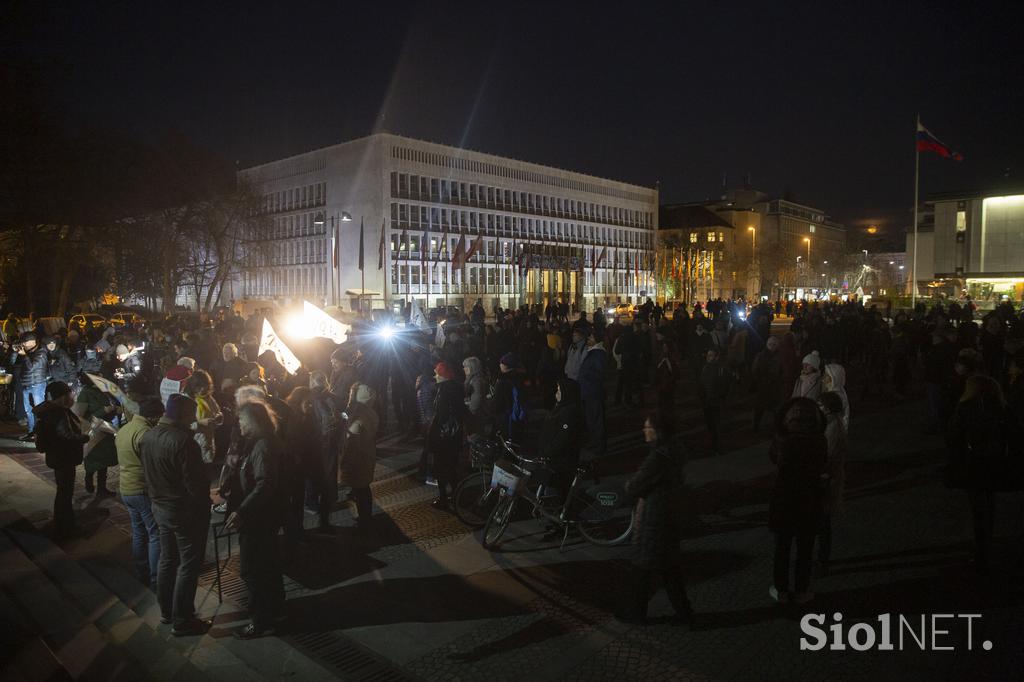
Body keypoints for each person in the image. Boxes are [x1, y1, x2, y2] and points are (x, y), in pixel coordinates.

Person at [139, 394, 211, 637]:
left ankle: (167, 611)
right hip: (182, 510)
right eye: (191, 414)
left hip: (159, 506)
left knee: (167, 560)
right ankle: (183, 619)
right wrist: (204, 506)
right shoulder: (183, 441)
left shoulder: (148, 436)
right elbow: (196, 485)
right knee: (189, 564)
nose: (193, 419)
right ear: (181, 415)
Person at [616, 413, 692, 624]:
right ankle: (686, 614)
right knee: (670, 569)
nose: (644, 430)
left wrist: (627, 486)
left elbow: (634, 486)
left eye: (647, 427)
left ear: (658, 431)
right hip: (668, 515)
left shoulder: (657, 458)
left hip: (653, 519)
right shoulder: (675, 452)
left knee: (641, 569)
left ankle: (636, 614)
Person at [225, 401, 285, 639]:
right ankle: (277, 610)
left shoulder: (263, 446)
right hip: (263, 515)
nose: (238, 423)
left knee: (253, 570)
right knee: (269, 565)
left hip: (259, 517)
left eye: (241, 419)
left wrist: (242, 510)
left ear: (252, 421)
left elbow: (265, 483)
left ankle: (260, 620)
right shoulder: (260, 442)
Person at [945, 375, 1009, 572]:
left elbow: (954, 437)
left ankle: (982, 553)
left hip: (974, 464)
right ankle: (987, 546)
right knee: (989, 505)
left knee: (978, 509)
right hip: (994, 463)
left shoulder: (966, 408)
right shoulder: (1001, 407)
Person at [768, 397, 828, 604]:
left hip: (784, 497)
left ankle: (781, 589)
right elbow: (822, 462)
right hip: (809, 497)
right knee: (805, 548)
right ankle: (802, 590)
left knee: (782, 548)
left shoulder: (783, 440)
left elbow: (773, 457)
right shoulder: (819, 439)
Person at [115, 397, 165, 587]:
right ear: (153, 416)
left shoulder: (125, 429)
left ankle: (140, 571)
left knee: (138, 532)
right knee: (154, 534)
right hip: (141, 489)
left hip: (126, 487)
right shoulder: (145, 433)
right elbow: (152, 464)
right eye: (159, 416)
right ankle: (154, 578)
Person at [33, 381, 89, 538]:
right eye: (70, 394)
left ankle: (62, 522)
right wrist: (85, 437)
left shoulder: (49, 410)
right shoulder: (58, 413)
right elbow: (67, 436)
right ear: (63, 396)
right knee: (65, 493)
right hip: (64, 457)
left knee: (63, 491)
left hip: (57, 456)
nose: (72, 397)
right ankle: (66, 527)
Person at [340, 383, 380, 533]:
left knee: (360, 489)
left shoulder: (359, 418)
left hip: (357, 458)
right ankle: (366, 517)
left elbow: (350, 441)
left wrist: (344, 461)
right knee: (363, 487)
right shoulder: (372, 412)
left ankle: (364, 520)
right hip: (367, 454)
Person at [427, 363, 465, 511]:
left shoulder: (443, 390)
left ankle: (444, 499)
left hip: (443, 437)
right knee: (451, 467)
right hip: (454, 435)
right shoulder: (457, 388)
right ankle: (457, 495)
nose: (435, 376)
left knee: (440, 468)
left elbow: (442, 415)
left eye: (437, 373)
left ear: (443, 376)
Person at [538, 378, 584, 497]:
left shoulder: (570, 412)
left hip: (560, 463)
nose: (556, 393)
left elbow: (562, 439)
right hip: (553, 460)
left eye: (559, 390)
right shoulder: (562, 407)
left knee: (554, 493)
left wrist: (548, 451)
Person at [817, 391, 847, 575]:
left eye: (820, 405)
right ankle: (822, 558)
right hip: (828, 477)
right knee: (822, 521)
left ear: (827, 408)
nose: (818, 408)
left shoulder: (834, 427)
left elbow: (829, 455)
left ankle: (823, 560)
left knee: (823, 521)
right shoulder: (832, 423)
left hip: (827, 479)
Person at [74, 374, 120, 496]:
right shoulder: (85, 393)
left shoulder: (104, 391)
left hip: (106, 431)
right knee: (93, 460)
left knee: (104, 462)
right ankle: (89, 479)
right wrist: (103, 411)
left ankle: (102, 489)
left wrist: (114, 410)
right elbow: (80, 416)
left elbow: (111, 406)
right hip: (93, 432)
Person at [11, 332, 48, 439]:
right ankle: (31, 432)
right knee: (28, 410)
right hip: (26, 384)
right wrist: (15, 352)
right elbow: (12, 363)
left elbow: (31, 367)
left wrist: (24, 355)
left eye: (24, 342)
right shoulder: (26, 352)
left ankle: (41, 433)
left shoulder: (41, 352)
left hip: (37, 385)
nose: (23, 344)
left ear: (32, 342)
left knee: (39, 410)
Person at [578, 330, 608, 456]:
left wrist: (585, 376)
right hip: (588, 390)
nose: (588, 339)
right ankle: (594, 442)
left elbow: (599, 374)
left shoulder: (598, 354)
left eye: (590, 337)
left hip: (593, 391)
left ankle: (599, 445)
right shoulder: (593, 352)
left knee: (596, 419)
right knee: (591, 418)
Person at [185, 370, 222, 464]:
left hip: (208, 444)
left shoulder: (209, 398)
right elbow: (183, 425)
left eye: (204, 386)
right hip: (192, 444)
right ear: (192, 386)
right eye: (198, 387)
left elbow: (217, 412)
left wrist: (219, 417)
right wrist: (200, 423)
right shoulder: (186, 400)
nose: (202, 389)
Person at [698, 348, 730, 456]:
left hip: (717, 402)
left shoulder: (722, 369)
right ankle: (713, 445)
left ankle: (718, 447)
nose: (708, 357)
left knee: (717, 426)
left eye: (711, 355)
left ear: (716, 357)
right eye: (708, 355)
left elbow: (725, 386)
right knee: (710, 425)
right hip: (707, 402)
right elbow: (702, 384)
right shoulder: (705, 368)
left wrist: (718, 397)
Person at [751, 337, 783, 432]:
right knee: (760, 407)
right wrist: (759, 380)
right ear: (767, 344)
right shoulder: (761, 355)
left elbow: (782, 370)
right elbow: (754, 369)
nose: (772, 347)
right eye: (770, 344)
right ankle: (756, 426)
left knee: (775, 408)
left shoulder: (779, 356)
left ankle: (775, 427)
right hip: (763, 385)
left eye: (774, 345)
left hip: (774, 385)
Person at [821, 364, 850, 431]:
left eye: (827, 375)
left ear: (834, 377)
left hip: (833, 430)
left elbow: (844, 415)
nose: (824, 377)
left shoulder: (838, 395)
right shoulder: (829, 390)